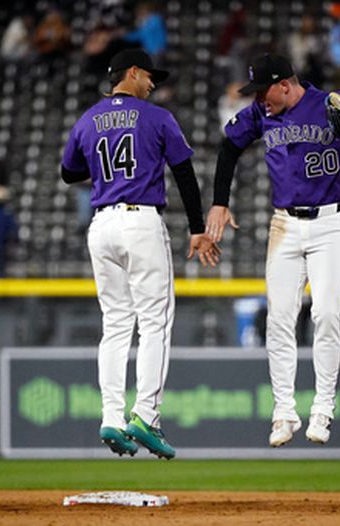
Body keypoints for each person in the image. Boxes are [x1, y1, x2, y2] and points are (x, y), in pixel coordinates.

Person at [206, 54, 340, 447]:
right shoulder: (261, 113)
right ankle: (283, 413)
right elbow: (228, 147)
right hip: (285, 224)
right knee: (279, 319)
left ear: (284, 84)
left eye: (263, 91)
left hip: (331, 223)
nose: (259, 99)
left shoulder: (331, 104)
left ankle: (323, 410)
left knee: (327, 313)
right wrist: (219, 201)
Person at [60, 48, 220, 460]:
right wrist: (198, 228)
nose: (153, 83)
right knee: (154, 323)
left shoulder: (88, 118)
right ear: (132, 72)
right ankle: (146, 416)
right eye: (150, 75)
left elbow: (67, 172)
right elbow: (184, 173)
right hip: (139, 221)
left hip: (101, 225)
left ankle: (111, 416)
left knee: (115, 325)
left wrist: (104, 166)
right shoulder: (156, 117)